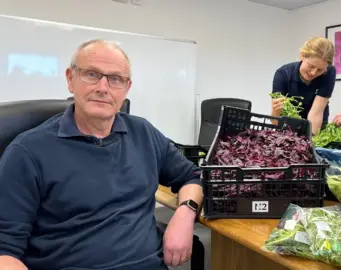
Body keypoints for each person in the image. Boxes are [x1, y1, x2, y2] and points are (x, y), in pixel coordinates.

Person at [0, 39, 203, 270]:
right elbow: (5, 251)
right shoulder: (27, 151)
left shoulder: (143, 133)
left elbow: (191, 177)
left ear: (126, 89)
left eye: (116, 79)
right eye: (91, 74)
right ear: (70, 79)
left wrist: (185, 214)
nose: (103, 88)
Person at [271, 37, 336, 134]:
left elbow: (316, 113)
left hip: (316, 128)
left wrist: (311, 141)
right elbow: (275, 120)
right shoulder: (283, 74)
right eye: (311, 66)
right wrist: (275, 111)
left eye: (320, 70)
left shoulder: (329, 72)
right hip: (288, 130)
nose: (313, 73)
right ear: (302, 55)